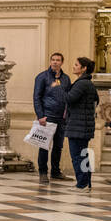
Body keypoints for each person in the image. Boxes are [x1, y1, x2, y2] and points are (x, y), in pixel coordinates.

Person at [32, 52, 71, 180]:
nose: (55, 62)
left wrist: (67, 116)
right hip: (47, 116)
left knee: (58, 146)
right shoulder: (42, 77)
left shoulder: (66, 78)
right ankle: (43, 172)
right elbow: (36, 98)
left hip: (61, 117)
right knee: (44, 145)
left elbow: (68, 97)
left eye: (58, 60)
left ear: (62, 62)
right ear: (50, 62)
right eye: (53, 60)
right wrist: (40, 115)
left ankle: (55, 171)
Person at [64, 56, 99, 192]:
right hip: (83, 125)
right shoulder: (88, 83)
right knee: (83, 155)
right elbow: (96, 100)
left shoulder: (82, 83)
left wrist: (60, 88)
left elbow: (69, 99)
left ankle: (82, 184)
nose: (73, 66)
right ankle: (86, 183)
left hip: (78, 126)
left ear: (84, 69)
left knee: (77, 156)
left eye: (76, 65)